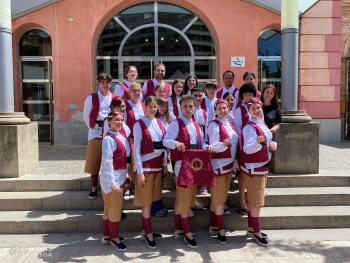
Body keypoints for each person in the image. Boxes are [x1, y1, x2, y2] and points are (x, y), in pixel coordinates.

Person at [163, 95, 215, 249]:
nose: (188, 109)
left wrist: (208, 147)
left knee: (183, 197)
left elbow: (202, 143)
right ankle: (187, 232)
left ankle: (178, 229)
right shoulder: (175, 124)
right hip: (181, 165)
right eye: (185, 106)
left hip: (195, 166)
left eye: (190, 106)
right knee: (184, 197)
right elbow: (166, 140)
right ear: (180, 107)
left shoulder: (198, 126)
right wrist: (176, 143)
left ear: (194, 107)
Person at [133, 96, 168, 250]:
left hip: (158, 166)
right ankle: (148, 234)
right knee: (146, 202)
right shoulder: (139, 123)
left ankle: (144, 231)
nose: (153, 109)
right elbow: (137, 149)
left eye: (155, 106)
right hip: (146, 167)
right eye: (151, 106)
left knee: (152, 199)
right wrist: (139, 172)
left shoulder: (160, 122)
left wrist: (165, 165)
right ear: (145, 107)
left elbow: (164, 145)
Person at [241, 99, 277, 247]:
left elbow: (269, 141)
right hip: (254, 167)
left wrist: (273, 145)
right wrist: (256, 143)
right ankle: (257, 232)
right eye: (254, 108)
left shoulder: (261, 124)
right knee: (256, 202)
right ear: (249, 111)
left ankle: (251, 229)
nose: (257, 110)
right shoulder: (249, 127)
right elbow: (247, 149)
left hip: (261, 166)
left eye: (259, 108)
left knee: (253, 200)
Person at [207, 100, 238, 244]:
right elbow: (212, 146)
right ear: (215, 110)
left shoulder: (230, 124)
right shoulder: (214, 124)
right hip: (218, 164)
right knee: (219, 200)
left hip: (229, 164)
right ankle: (220, 230)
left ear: (228, 108)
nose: (223, 110)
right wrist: (223, 144)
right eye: (219, 108)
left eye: (224, 108)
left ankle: (213, 226)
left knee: (219, 199)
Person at [83, 73, 117, 199]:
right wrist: (93, 126)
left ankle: (107, 186)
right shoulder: (91, 98)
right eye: (103, 82)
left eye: (108, 82)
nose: (105, 85)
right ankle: (93, 187)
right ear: (98, 83)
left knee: (108, 159)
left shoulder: (114, 98)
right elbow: (86, 116)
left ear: (111, 83)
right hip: (95, 131)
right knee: (94, 160)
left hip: (109, 131)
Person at [100, 111, 129, 252]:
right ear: (109, 121)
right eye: (116, 120)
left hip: (120, 177)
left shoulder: (121, 135)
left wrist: (126, 174)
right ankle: (114, 239)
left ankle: (106, 236)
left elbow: (124, 157)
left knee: (108, 209)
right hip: (112, 179)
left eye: (121, 120)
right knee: (115, 211)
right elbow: (107, 162)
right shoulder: (108, 139)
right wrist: (113, 183)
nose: (119, 122)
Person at [234, 83, 259, 215]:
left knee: (254, 173)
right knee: (243, 174)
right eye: (245, 94)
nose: (248, 96)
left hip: (257, 146)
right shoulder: (239, 110)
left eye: (250, 94)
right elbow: (237, 128)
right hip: (244, 146)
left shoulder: (258, 109)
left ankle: (252, 200)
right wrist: (243, 141)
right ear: (242, 96)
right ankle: (241, 201)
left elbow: (262, 124)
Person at [102, 96, 132, 201]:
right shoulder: (109, 124)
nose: (121, 108)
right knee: (113, 202)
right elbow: (108, 155)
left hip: (123, 166)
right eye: (118, 106)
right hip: (115, 167)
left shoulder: (122, 123)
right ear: (113, 107)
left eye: (123, 106)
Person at [150, 97, 170, 217]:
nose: (163, 108)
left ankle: (158, 204)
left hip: (164, 154)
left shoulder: (164, 119)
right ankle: (154, 208)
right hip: (157, 155)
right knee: (156, 184)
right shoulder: (156, 120)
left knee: (160, 183)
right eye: (161, 106)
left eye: (165, 106)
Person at [125, 83, 145, 193]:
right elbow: (123, 124)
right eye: (134, 90)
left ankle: (137, 186)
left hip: (143, 139)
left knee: (140, 163)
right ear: (130, 92)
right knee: (132, 163)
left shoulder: (143, 105)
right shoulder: (126, 106)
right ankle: (129, 187)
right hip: (131, 139)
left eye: (138, 90)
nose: (137, 93)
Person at [191, 86, 208, 197]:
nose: (198, 98)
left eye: (200, 95)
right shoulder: (187, 109)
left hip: (202, 139)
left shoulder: (204, 112)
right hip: (191, 139)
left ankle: (204, 184)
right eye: (195, 95)